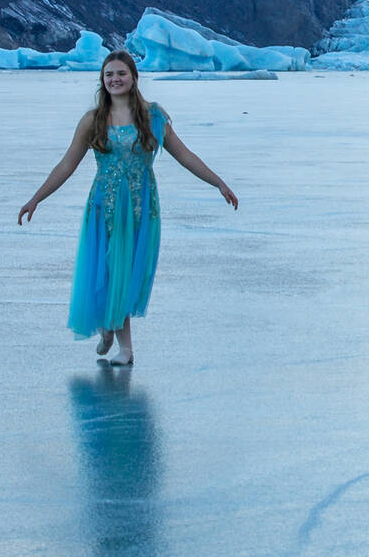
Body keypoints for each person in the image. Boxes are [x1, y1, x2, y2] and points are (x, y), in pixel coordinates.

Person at [18, 50, 238, 365]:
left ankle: (111, 327)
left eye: (121, 73)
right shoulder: (93, 120)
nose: (115, 79)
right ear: (102, 80)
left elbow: (185, 155)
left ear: (134, 77)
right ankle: (122, 344)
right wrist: (36, 198)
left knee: (128, 271)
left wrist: (218, 183)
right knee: (109, 270)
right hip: (105, 207)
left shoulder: (153, 116)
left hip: (140, 208)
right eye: (109, 75)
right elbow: (67, 164)